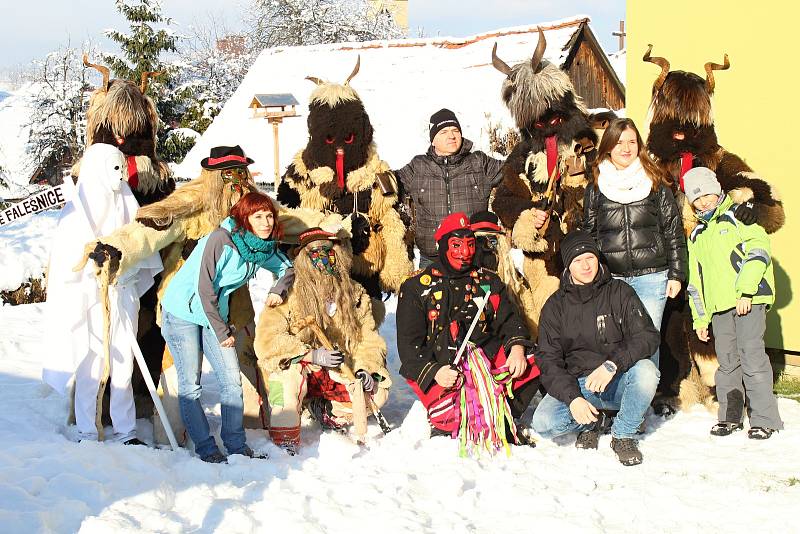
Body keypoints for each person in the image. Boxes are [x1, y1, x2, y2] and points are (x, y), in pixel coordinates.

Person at [160, 192, 294, 463]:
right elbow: (203, 288)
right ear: (245, 218)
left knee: (231, 381)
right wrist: (222, 333)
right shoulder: (221, 240)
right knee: (191, 386)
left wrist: (279, 289)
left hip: (214, 313)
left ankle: (236, 445)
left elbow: (286, 267)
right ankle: (207, 449)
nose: (266, 222)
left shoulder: (260, 247)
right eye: (258, 217)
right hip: (183, 310)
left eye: (269, 216)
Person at [43, 144, 162, 445]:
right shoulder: (74, 214)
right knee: (91, 363)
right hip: (88, 299)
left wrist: (124, 266)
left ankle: (126, 430)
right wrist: (92, 267)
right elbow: (65, 264)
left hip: (122, 295)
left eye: (122, 168)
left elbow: (142, 247)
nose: (120, 175)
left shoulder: (129, 206)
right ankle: (86, 428)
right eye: (115, 168)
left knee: (124, 364)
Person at [396, 212, 540, 451]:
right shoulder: (415, 287)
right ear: (442, 245)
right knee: (450, 420)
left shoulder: (488, 281)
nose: (465, 253)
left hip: (487, 361)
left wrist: (516, 349)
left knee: (535, 360)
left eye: (470, 245)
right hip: (444, 367)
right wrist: (435, 372)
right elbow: (409, 346)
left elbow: (509, 320)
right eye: (456, 245)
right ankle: (455, 417)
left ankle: (503, 415)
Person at [254, 228, 391, 455]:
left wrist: (367, 370)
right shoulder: (288, 294)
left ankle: (325, 411)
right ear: (302, 258)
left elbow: (369, 340)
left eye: (327, 250)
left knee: (378, 392)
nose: (322, 257)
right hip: (300, 368)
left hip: (337, 369)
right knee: (287, 379)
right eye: (314, 252)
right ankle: (285, 440)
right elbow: (267, 340)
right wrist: (310, 355)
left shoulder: (355, 295)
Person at [532, 230, 661, 466]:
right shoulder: (555, 307)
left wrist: (613, 365)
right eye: (577, 261)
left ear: (598, 259)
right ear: (568, 267)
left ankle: (622, 433)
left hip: (617, 380)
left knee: (646, 372)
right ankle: (593, 421)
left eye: (590, 258)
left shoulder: (620, 292)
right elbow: (548, 359)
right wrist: (573, 399)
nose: (585, 266)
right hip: (579, 385)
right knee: (543, 423)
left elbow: (647, 336)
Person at [683, 167, 783, 439]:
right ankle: (730, 416)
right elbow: (696, 282)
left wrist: (746, 291)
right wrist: (700, 319)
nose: (703, 201)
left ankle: (764, 418)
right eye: (697, 198)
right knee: (726, 363)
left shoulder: (740, 216)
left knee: (751, 357)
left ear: (718, 191)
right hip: (719, 308)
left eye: (707, 194)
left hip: (749, 299)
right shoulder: (697, 236)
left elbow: (759, 251)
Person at [582, 118, 687, 369]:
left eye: (631, 142)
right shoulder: (596, 187)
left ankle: (643, 400)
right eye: (619, 142)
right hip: (612, 280)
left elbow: (673, 230)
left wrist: (676, 274)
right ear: (608, 146)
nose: (626, 148)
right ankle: (620, 398)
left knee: (646, 341)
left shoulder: (655, 182)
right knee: (614, 343)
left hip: (652, 277)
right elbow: (590, 235)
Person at [395, 109, 504, 268]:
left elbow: (514, 171)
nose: (451, 136)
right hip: (432, 259)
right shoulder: (418, 167)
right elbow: (389, 185)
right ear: (433, 140)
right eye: (444, 132)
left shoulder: (479, 163)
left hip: (474, 257)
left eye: (455, 130)